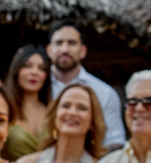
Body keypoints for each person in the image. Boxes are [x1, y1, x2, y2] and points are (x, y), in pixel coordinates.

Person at [47, 19, 126, 150]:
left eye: (72, 43)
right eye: (59, 43)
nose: (65, 49)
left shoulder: (104, 93)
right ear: (49, 50)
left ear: (83, 51)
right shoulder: (35, 86)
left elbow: (115, 141)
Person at [2, 45, 51, 160]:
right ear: (16, 70)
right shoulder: (3, 108)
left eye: (41, 68)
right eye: (27, 66)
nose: (34, 72)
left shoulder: (53, 109)